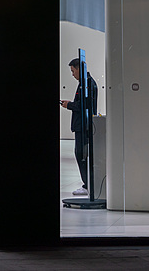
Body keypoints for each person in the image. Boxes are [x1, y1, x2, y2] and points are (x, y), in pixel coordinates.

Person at [60, 58, 97, 197]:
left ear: (79, 69)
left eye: (73, 71)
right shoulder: (85, 83)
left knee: (81, 155)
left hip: (83, 126)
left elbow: (84, 105)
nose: (72, 74)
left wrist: (69, 105)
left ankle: (87, 185)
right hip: (82, 125)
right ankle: (87, 184)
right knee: (81, 154)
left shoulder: (87, 84)